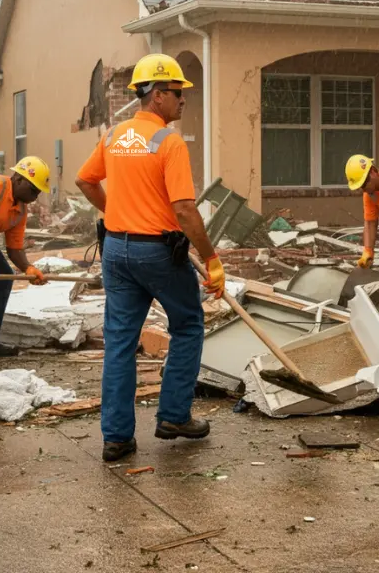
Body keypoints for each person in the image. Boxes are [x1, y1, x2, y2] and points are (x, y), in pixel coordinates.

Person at [76, 53, 226, 463]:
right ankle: (174, 416)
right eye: (177, 93)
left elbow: (85, 180)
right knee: (190, 324)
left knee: (120, 345)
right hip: (157, 252)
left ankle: (117, 438)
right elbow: (184, 210)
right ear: (157, 95)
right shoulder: (168, 141)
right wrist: (211, 258)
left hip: (117, 251)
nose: (183, 101)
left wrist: (114, 212)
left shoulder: (113, 137)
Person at [0, 157, 51, 362]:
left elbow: (14, 248)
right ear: (17, 178)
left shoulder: (20, 210)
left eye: (38, 192)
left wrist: (28, 268)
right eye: (33, 190)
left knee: (4, 278)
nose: (35, 196)